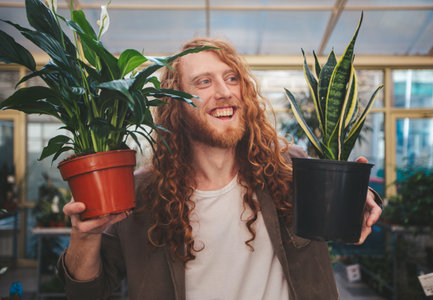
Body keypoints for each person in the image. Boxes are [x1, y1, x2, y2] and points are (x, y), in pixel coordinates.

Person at [58, 38, 383, 300]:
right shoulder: (138, 194)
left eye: (231, 78)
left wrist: (363, 194)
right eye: (203, 82)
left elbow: (336, 193)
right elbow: (87, 291)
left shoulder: (290, 169)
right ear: (175, 104)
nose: (225, 91)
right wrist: (85, 237)